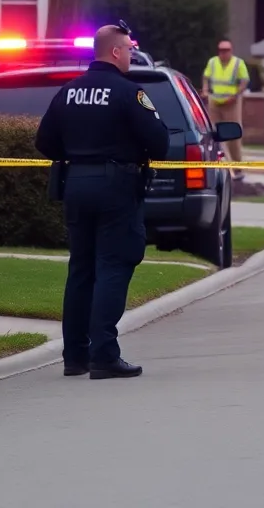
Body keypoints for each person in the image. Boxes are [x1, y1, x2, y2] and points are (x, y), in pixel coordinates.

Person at [35, 21, 170, 380]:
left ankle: (75, 357)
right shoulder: (129, 93)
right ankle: (104, 355)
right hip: (116, 187)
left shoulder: (69, 92)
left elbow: (44, 142)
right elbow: (159, 143)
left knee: (81, 268)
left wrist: (78, 152)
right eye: (127, 49)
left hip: (76, 185)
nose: (130, 54)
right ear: (114, 52)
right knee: (113, 264)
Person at [202, 39, 249, 180]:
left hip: (231, 102)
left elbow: (244, 80)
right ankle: (216, 165)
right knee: (213, 134)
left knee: (233, 135)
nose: (224, 53)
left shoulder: (238, 63)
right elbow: (206, 77)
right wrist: (205, 90)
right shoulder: (213, 62)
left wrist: (236, 95)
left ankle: (238, 169)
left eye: (226, 50)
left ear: (231, 51)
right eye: (221, 50)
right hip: (214, 102)